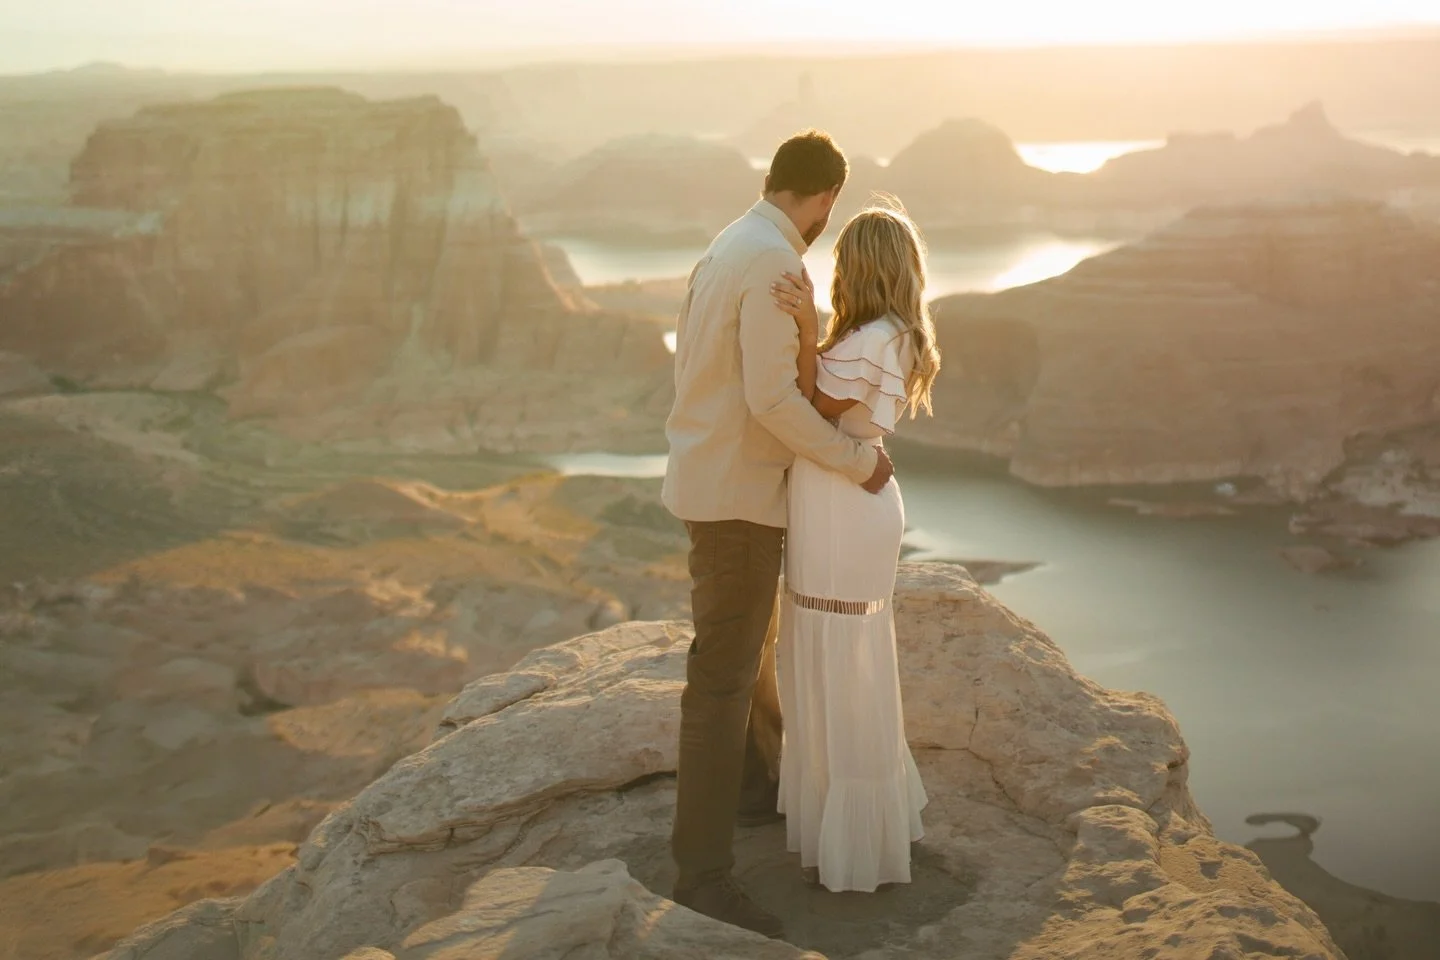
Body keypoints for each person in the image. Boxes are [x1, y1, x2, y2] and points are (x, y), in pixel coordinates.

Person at [661, 129, 894, 939]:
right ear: (828, 197)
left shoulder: (735, 240)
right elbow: (771, 400)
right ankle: (701, 875)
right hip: (738, 496)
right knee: (722, 677)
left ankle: (758, 794)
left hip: (713, 478)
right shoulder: (770, 261)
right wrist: (855, 460)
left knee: (748, 654)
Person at [769, 203, 941, 892]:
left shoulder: (875, 335)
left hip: (844, 505)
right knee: (842, 658)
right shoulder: (892, 332)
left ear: (860, 266)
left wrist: (807, 326)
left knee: (839, 659)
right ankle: (850, 830)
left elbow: (815, 402)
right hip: (846, 499)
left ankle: (854, 849)